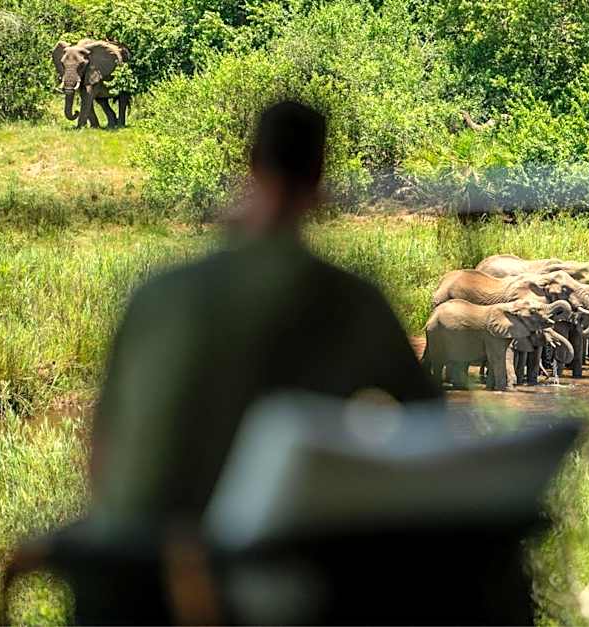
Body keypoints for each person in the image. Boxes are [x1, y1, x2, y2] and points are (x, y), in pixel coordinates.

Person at [90, 101, 442, 522]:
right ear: (319, 179)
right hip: (278, 551)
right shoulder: (352, 301)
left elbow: (103, 452)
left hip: (142, 558)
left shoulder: (157, 294)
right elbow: (432, 428)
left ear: (253, 164)